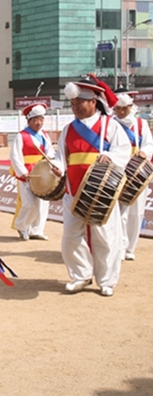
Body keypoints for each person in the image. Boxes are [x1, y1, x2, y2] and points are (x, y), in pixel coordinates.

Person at [51, 78, 131, 297]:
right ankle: (80, 275)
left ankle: (107, 280)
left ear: (94, 102)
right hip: (73, 193)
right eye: (73, 103)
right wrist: (57, 168)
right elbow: (60, 157)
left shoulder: (110, 125)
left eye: (80, 102)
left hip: (101, 193)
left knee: (105, 236)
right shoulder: (67, 130)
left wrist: (110, 156)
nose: (75, 107)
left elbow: (124, 150)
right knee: (70, 236)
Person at [113, 87, 153, 261]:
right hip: (117, 172)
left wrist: (145, 152)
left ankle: (130, 247)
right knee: (118, 212)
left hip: (137, 174)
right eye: (118, 109)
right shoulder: (111, 124)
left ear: (131, 107)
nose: (122, 112)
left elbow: (149, 144)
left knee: (136, 213)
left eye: (125, 108)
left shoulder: (140, 124)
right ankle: (120, 246)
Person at [9, 103, 55, 241]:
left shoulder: (45, 135)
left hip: (42, 174)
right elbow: (15, 156)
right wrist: (22, 171)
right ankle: (22, 227)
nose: (39, 123)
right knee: (29, 202)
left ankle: (37, 229)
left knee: (43, 203)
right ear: (29, 121)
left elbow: (50, 153)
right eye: (35, 120)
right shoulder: (21, 136)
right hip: (28, 174)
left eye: (41, 119)